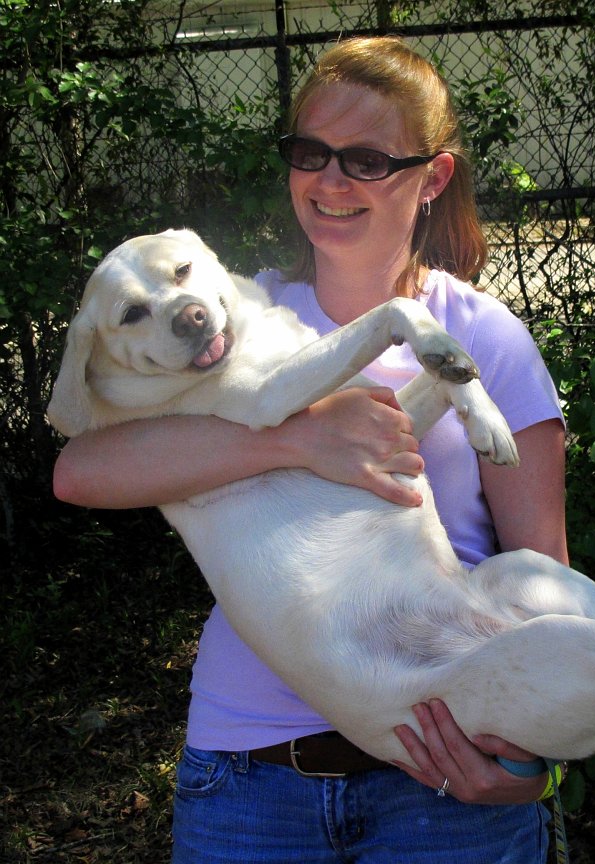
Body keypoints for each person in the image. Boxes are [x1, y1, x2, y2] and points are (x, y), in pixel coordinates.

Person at [52, 36, 568, 863]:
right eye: (310, 152)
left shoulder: (483, 335)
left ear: (433, 177)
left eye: (366, 159)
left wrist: (534, 764)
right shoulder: (231, 320)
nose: (330, 181)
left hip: (442, 766)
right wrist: (297, 439)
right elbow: (81, 471)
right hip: (249, 773)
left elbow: (544, 573)